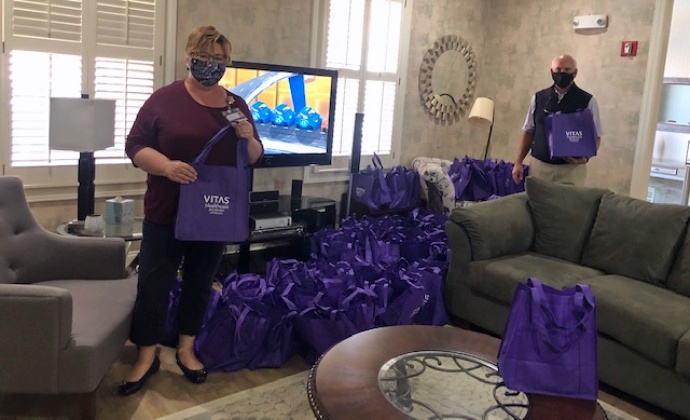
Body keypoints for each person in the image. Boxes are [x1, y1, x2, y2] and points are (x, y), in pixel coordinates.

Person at [119, 25, 264, 396]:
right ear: (189, 57)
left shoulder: (236, 105)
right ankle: (146, 355)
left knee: (200, 283)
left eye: (219, 60)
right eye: (204, 57)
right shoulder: (163, 100)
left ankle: (186, 349)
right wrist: (167, 167)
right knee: (154, 285)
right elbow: (135, 146)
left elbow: (253, 158)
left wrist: (248, 137)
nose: (211, 65)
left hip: (214, 212)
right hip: (166, 211)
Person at [512, 54, 602, 186]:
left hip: (571, 171)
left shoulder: (588, 101)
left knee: (567, 206)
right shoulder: (538, 98)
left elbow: (596, 136)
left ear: (575, 73)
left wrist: (585, 158)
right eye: (558, 70)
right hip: (539, 167)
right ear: (551, 72)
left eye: (567, 70)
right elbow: (529, 131)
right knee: (537, 205)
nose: (562, 73)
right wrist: (518, 162)